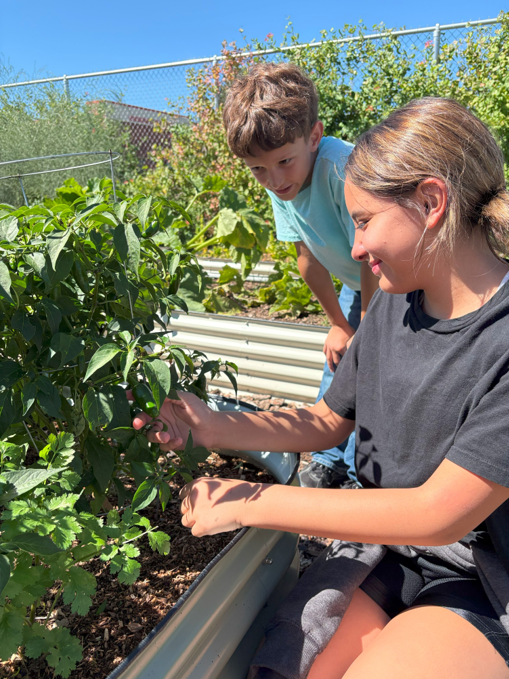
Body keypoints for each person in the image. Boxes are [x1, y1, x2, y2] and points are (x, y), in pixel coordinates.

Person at [135, 97, 509, 678]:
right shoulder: (394, 304)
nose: (354, 249)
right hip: (385, 550)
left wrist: (249, 502)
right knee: (286, 665)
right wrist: (212, 422)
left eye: (363, 222)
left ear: (432, 202)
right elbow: (326, 421)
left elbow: (440, 516)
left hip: (477, 574)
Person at [222, 62, 379, 488]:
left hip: (395, 277)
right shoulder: (282, 185)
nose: (273, 179)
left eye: (284, 162)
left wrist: (364, 326)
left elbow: (371, 253)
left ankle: (363, 471)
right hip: (357, 284)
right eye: (258, 169)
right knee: (339, 362)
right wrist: (337, 324)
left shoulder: (339, 167)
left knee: (376, 370)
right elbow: (306, 258)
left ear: (313, 136)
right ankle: (329, 459)